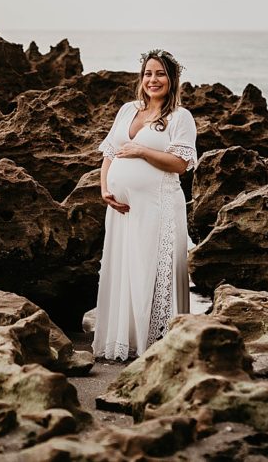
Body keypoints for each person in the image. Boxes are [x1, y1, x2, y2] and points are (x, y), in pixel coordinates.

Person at [92, 49, 197, 361]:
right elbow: (109, 153)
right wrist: (104, 189)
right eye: (148, 73)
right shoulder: (127, 111)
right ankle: (124, 341)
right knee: (125, 269)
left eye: (160, 74)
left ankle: (158, 345)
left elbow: (180, 163)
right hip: (122, 210)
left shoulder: (180, 118)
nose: (153, 80)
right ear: (141, 78)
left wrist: (141, 152)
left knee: (151, 271)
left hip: (160, 207)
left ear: (172, 79)